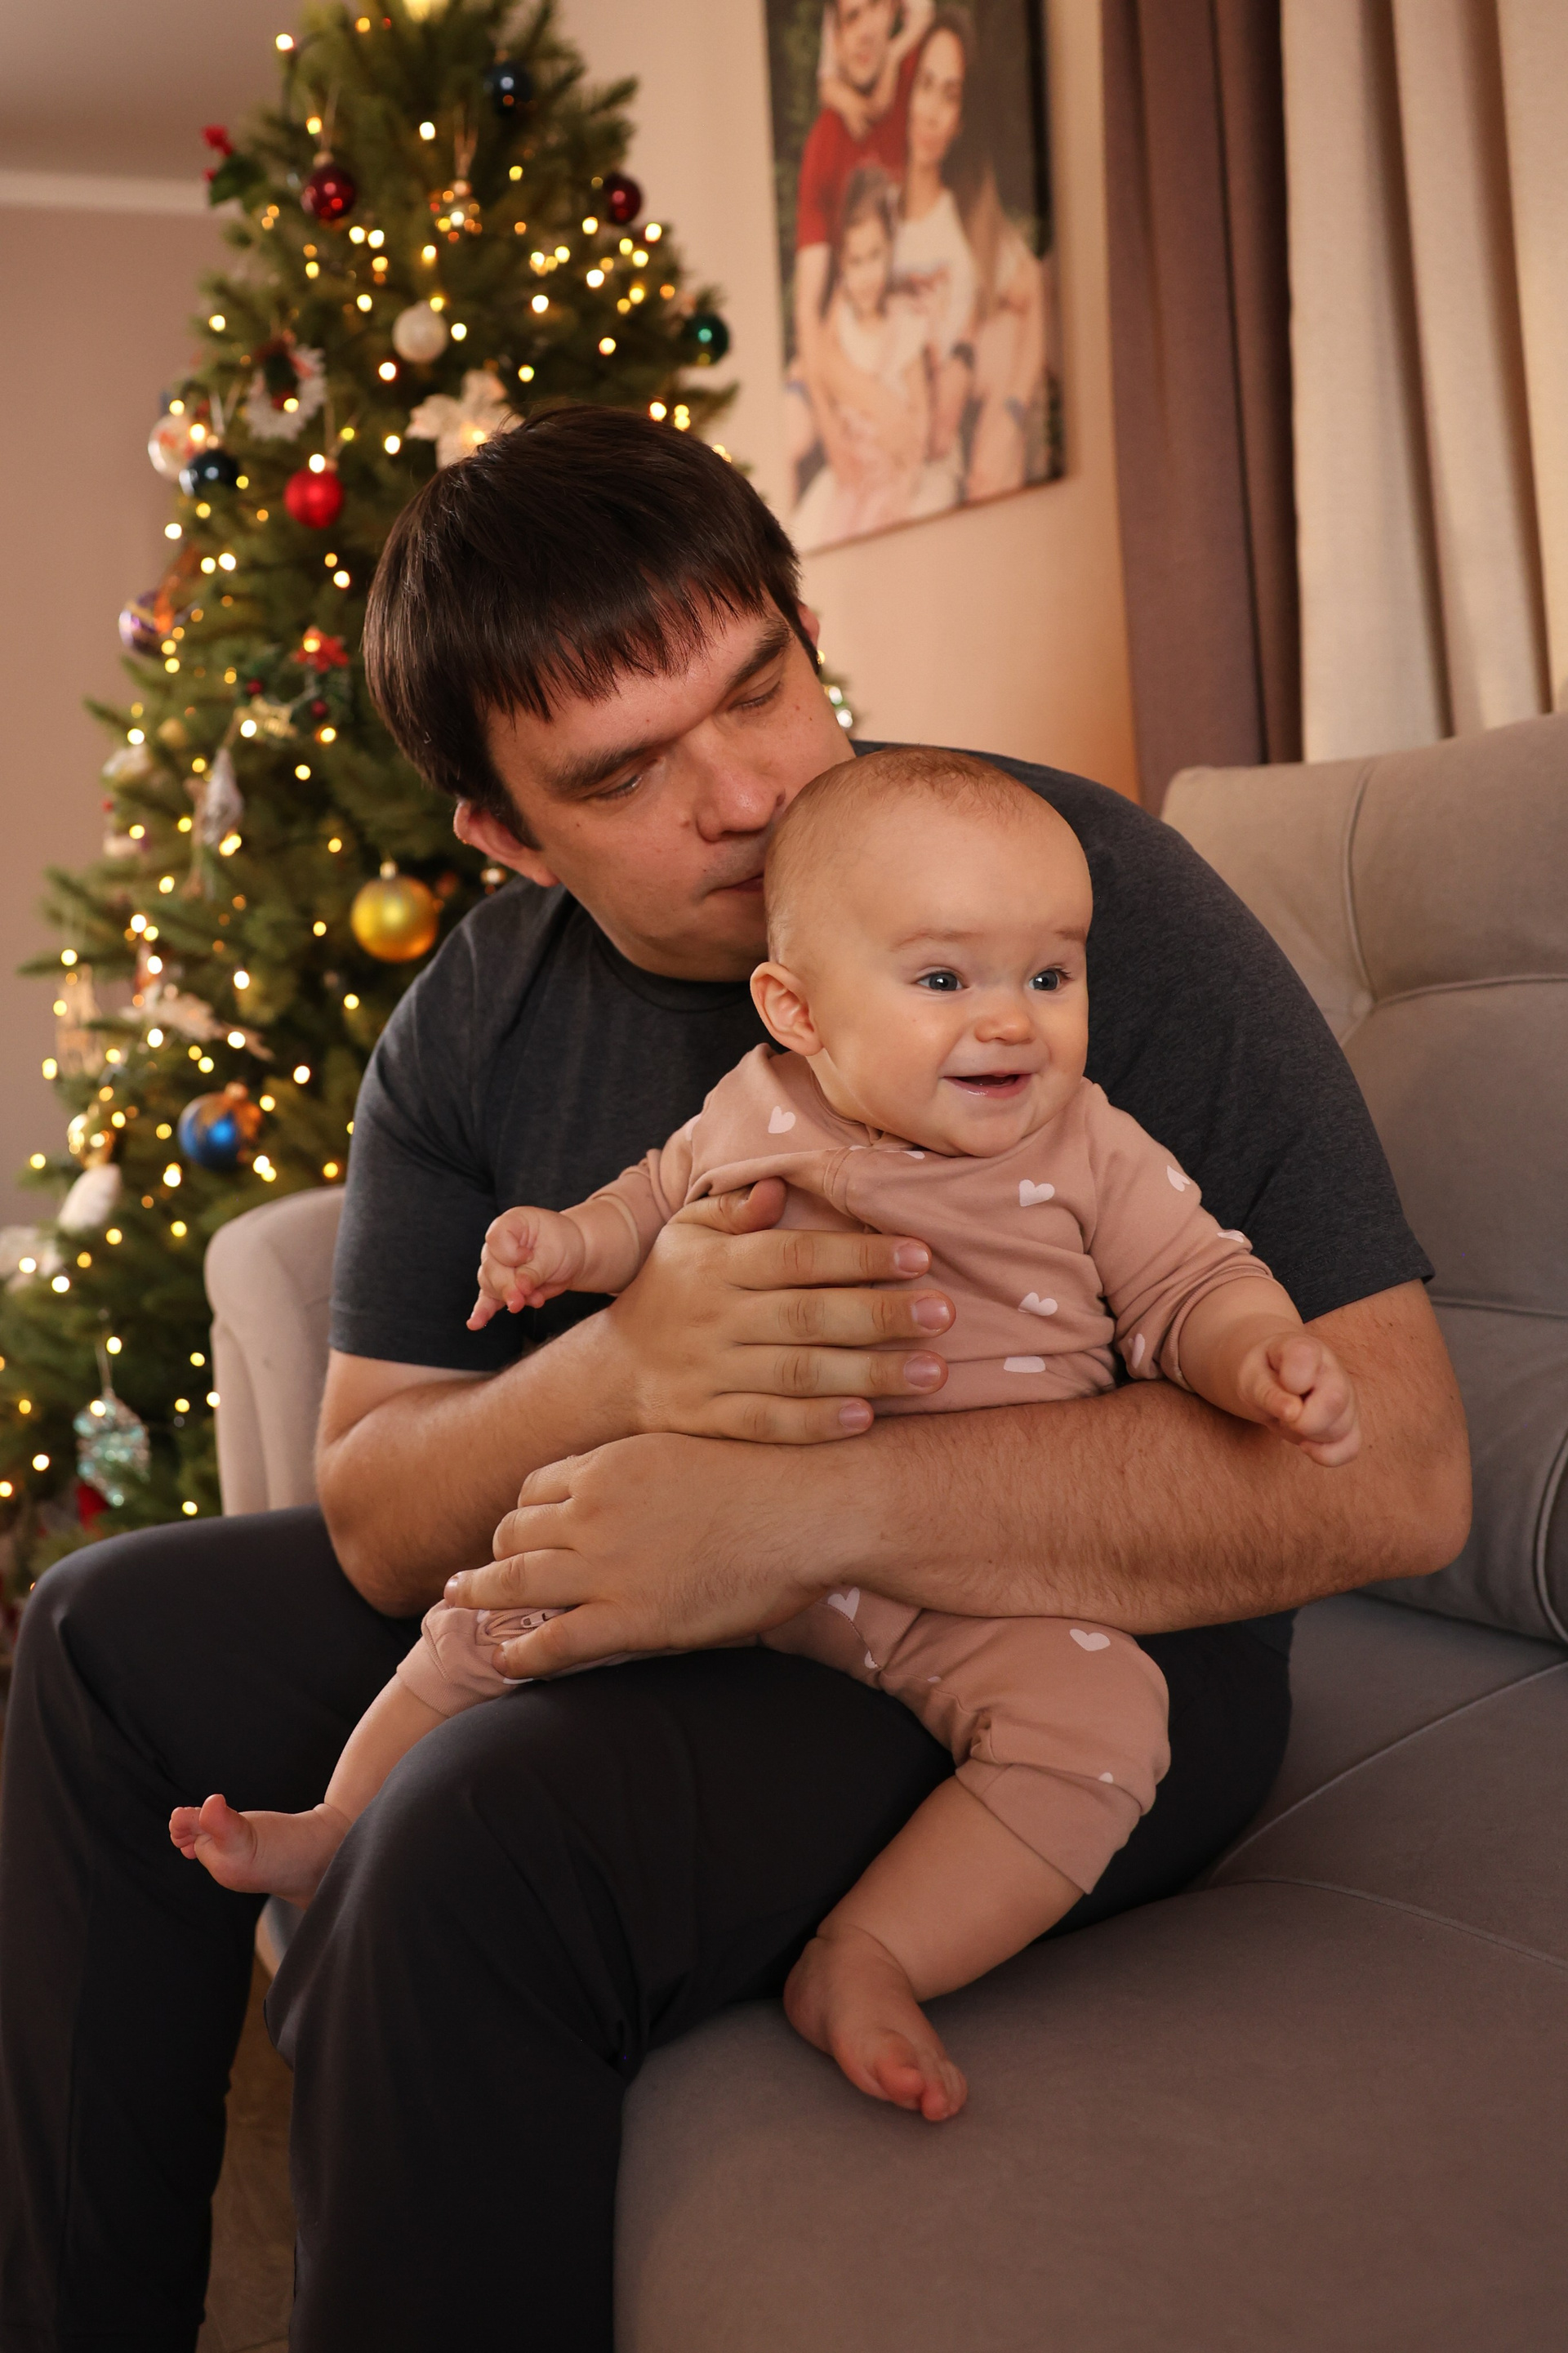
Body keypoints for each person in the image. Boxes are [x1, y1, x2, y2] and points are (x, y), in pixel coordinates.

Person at [0, 408, 1469, 2351]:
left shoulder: (1047, 898)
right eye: (624, 773)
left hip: (1052, 1652)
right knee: (104, 1637)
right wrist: (619, 1366)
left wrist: (803, 1511)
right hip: (663, 1578)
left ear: (802, 624)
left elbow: (1401, 1473)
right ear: (506, 835)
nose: (752, 794)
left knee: (472, 1833)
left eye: (760, 685)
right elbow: (369, 1502)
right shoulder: (475, 1018)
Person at [172, 750, 1361, 2131]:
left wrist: (1259, 1355)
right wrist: (564, 1245)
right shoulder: (755, 1107)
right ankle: (339, 1825)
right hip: (713, 1536)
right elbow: (642, 1201)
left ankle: (872, 1955)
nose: (1012, 1021)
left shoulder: (1090, 1147)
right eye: (944, 979)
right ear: (799, 1010)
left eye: (1052, 975)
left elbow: (1195, 1283)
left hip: (962, 1572)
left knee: (1103, 1719)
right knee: (504, 1595)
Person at [894, 6, 1051, 505]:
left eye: (950, 95)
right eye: (925, 85)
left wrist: (1010, 414)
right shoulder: (873, 213)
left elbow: (1038, 293)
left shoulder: (968, 220)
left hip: (941, 466)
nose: (931, 112)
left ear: (961, 120)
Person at [787, 0, 933, 510]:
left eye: (875, 7)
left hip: (907, 323)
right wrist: (831, 427)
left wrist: (894, 53)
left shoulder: (916, 83)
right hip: (845, 338)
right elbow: (808, 306)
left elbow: (925, 14)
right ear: (834, 37)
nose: (864, 30)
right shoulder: (826, 142)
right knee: (791, 429)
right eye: (850, 17)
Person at [790, 167, 955, 548]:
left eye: (875, 256)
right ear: (841, 265)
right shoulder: (841, 324)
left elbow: (920, 410)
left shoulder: (903, 325)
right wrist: (840, 442)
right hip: (855, 472)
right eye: (856, 261)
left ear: (891, 249)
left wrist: (909, 477)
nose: (866, 275)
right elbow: (826, 381)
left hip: (895, 471)